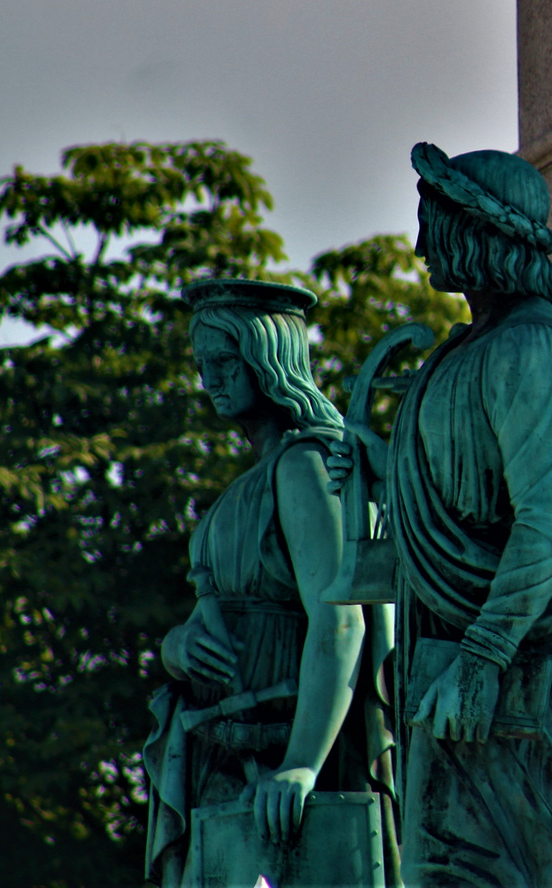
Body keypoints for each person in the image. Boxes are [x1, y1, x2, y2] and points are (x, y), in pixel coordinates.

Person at [328, 143, 552, 887]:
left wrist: (483, 656)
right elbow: (455, 494)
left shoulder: (530, 350)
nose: (421, 244)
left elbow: (548, 524)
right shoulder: (466, 352)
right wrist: (378, 458)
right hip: (452, 677)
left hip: (503, 687)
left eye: (434, 223)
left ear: (477, 233)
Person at [143, 279, 397, 887]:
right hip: (221, 761)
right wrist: (174, 647)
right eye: (203, 364)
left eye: (226, 361)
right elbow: (209, 616)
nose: (211, 379)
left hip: (279, 767)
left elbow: (341, 619)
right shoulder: (249, 484)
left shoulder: (304, 465)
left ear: (268, 360)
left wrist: (303, 765)